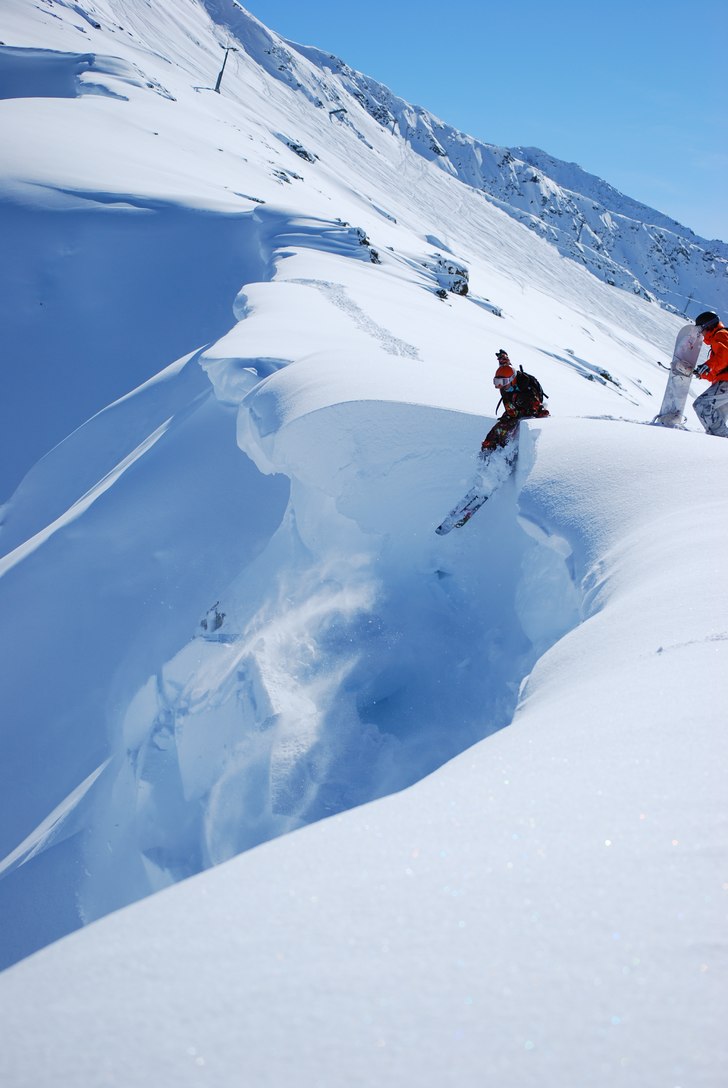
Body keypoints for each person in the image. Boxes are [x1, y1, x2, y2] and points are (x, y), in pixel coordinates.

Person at [480, 349, 549, 453]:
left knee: (506, 425)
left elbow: (536, 408)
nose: (500, 385)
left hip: (525, 410)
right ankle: (488, 448)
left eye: (503, 382)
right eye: (497, 382)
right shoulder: (506, 385)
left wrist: (540, 412)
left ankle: (506, 451)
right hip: (512, 409)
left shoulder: (527, 391)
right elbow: (507, 368)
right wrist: (503, 358)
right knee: (497, 430)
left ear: (512, 379)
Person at [692, 311, 728, 439]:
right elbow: (718, 371)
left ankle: (723, 438)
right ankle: (719, 444)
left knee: (701, 405)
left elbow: (725, 355)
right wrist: (702, 374)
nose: (700, 333)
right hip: (724, 381)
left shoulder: (721, 334)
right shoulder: (718, 339)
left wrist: (708, 365)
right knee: (717, 418)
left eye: (701, 328)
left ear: (709, 326)